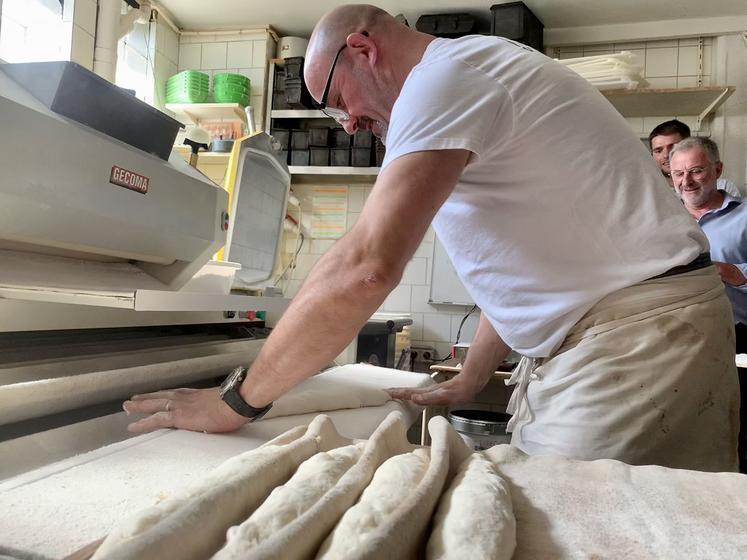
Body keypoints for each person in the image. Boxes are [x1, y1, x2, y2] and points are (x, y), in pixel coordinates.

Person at [124, 5, 739, 472]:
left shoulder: (443, 79)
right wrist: (472, 378)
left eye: (339, 102)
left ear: (362, 49)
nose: (351, 124)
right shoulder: (464, 81)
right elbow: (524, 268)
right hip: (616, 337)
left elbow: (365, 265)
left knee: (575, 532)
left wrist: (236, 402)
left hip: (636, 346)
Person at [670, 136, 747, 471]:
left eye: (696, 171)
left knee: (736, 429)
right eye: (678, 174)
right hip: (675, 342)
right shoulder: (662, 220)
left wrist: (733, 272)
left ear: (717, 169)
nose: (686, 181)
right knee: (683, 430)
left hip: (736, 339)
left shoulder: (744, 216)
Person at [649, 119, 741, 196]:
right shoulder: (649, 193)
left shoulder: (724, 187)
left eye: (673, 147)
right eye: (658, 151)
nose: (666, 155)